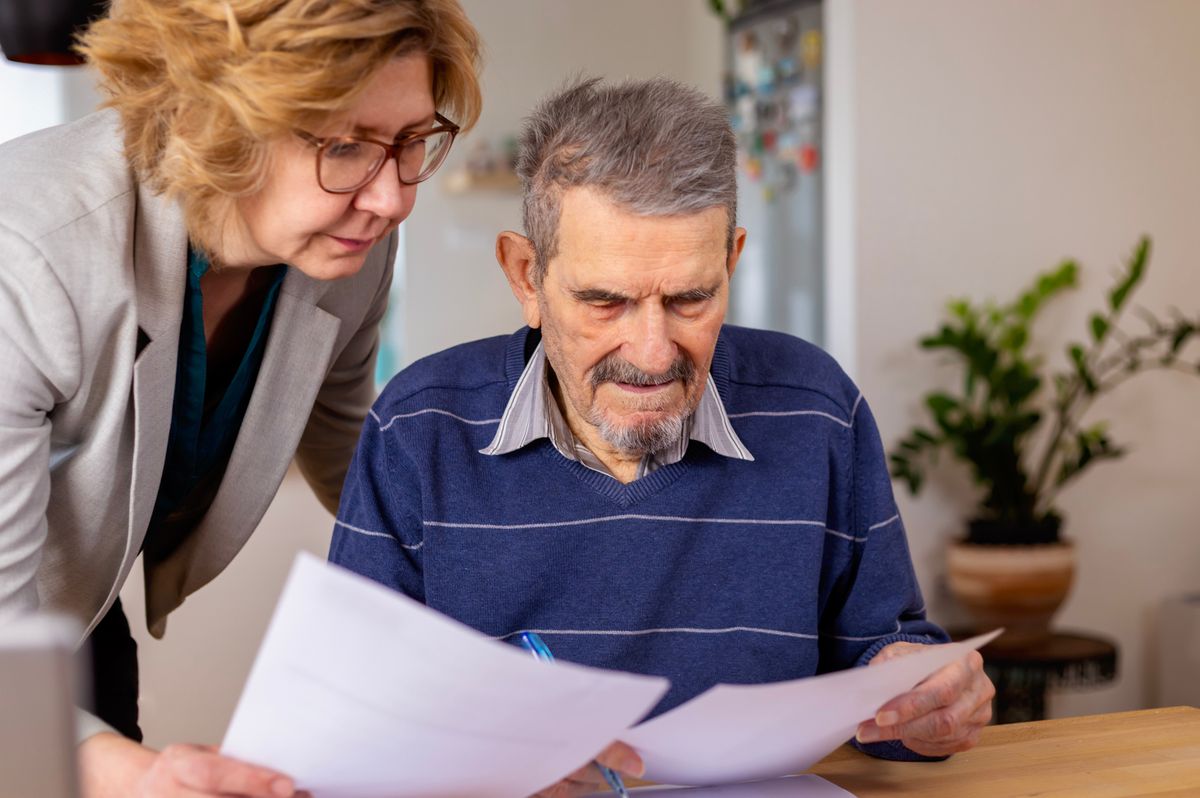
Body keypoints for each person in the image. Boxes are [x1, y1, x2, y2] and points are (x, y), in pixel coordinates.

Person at [329, 77, 995, 796]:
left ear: (731, 262)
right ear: (527, 276)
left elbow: (885, 660)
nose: (652, 353)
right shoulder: (420, 428)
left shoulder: (815, 410)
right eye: (605, 301)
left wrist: (925, 697)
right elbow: (348, 721)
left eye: (690, 298)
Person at [0, 1, 481, 795]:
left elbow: (348, 449)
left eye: (410, 142)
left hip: (69, 612)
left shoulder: (349, 243)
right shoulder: (28, 258)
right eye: (345, 146)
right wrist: (136, 777)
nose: (394, 199)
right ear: (215, 121)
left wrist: (510, 592)